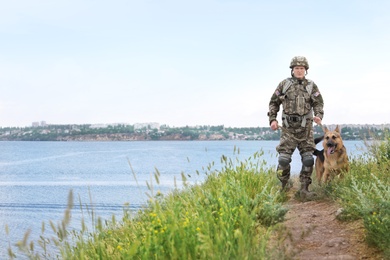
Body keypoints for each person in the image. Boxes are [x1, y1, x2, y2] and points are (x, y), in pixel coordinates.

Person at [267, 56, 324, 199]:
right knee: (283, 159)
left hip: (306, 129)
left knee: (308, 159)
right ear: (292, 70)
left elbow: (318, 103)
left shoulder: (311, 86)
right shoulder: (284, 85)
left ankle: (304, 189)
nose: (299, 71)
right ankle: (284, 187)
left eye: (302, 68)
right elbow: (273, 102)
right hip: (288, 129)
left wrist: (318, 116)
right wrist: (272, 119)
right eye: (297, 68)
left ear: (306, 70)